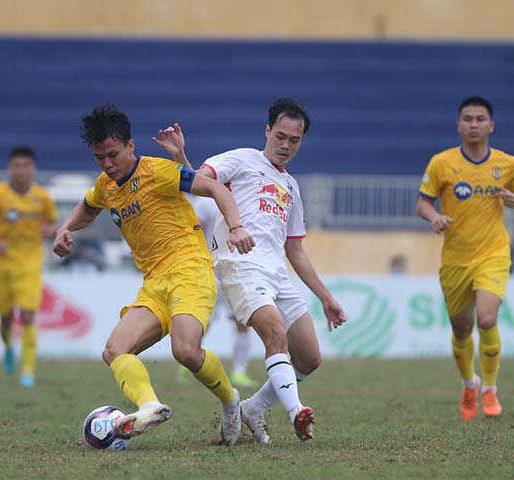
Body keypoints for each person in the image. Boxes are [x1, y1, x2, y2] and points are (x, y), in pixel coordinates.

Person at [52, 104, 255, 445]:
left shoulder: (158, 171)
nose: (107, 163)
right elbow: (88, 208)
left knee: (186, 351)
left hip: (190, 269)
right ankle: (149, 407)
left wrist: (235, 227)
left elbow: (217, 189)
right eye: (100, 157)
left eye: (113, 154)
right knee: (115, 350)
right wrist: (65, 228)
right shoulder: (106, 185)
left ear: (130, 146)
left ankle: (231, 402)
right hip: (154, 283)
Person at [154, 98, 346, 444]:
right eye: (281, 136)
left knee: (310, 357)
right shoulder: (241, 159)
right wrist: (180, 157)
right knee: (275, 332)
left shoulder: (291, 187)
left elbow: (296, 250)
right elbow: (199, 183)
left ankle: (253, 408)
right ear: (267, 130)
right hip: (239, 266)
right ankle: (297, 412)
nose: (286, 145)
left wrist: (326, 297)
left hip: (277, 274)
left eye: (295, 140)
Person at [416, 96, 514, 420]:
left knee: (487, 319)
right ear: (459, 125)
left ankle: (490, 389)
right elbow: (423, 202)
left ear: (491, 125)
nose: (474, 125)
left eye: (480, 119)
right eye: (468, 119)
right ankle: (469, 383)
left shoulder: (507, 164)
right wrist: (433, 217)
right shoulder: (442, 163)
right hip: (455, 260)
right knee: (462, 330)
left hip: (493, 253)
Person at [0, 146, 58, 388]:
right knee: (6, 318)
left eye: (26, 166)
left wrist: (48, 230)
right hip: (2, 264)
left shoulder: (42, 196)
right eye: (17, 166)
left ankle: (28, 371)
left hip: (30, 264)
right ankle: (9, 346)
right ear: (10, 168)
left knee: (29, 315)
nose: (21, 170)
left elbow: (53, 222)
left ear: (33, 168)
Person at [180, 194, 257, 388]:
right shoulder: (205, 201)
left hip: (238, 270)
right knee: (204, 321)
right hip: (210, 270)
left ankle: (239, 373)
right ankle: (190, 360)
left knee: (242, 321)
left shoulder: (246, 197)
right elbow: (193, 229)